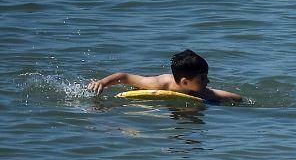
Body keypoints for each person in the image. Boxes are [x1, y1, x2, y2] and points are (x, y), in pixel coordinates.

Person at [87, 49, 242, 104]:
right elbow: (125, 77)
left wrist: (238, 101)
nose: (207, 81)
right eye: (202, 78)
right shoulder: (157, 83)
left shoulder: (200, 91)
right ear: (185, 82)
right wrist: (102, 82)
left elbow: (236, 98)